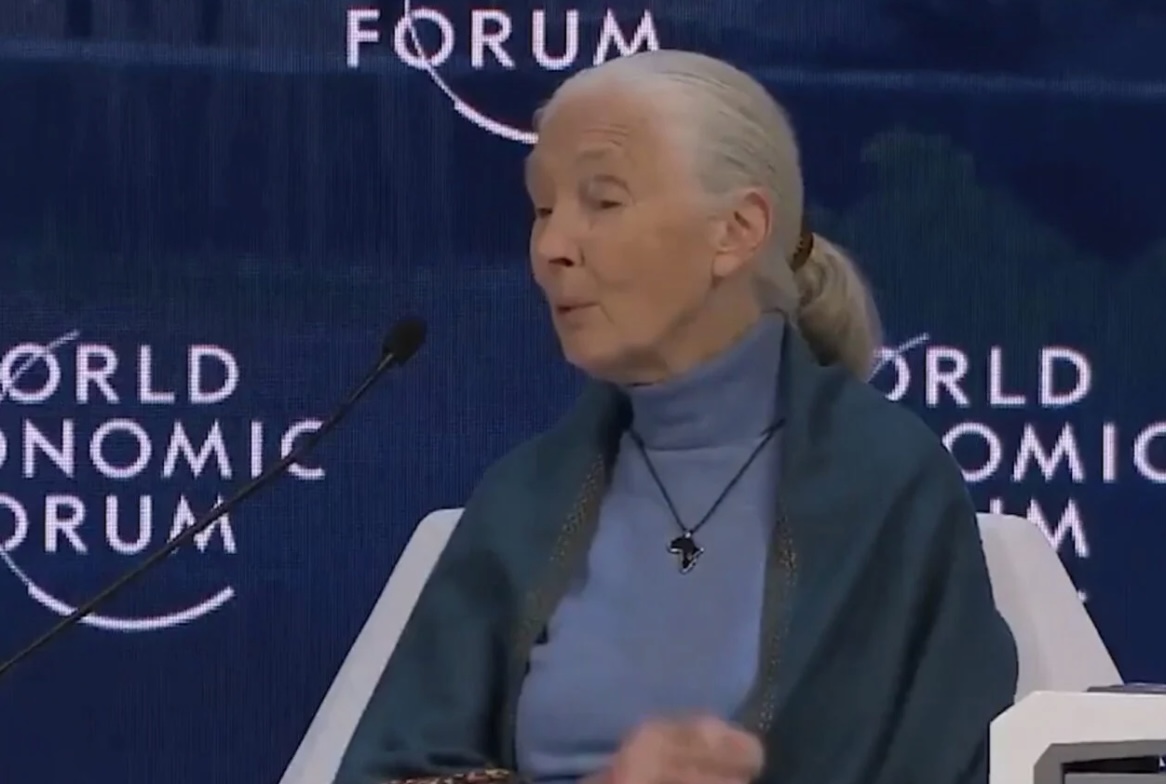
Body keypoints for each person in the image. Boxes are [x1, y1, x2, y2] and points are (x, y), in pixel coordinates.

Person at [333, 49, 1018, 784]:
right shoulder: (522, 501)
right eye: (543, 210)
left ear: (737, 230)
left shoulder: (888, 485)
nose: (552, 248)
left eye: (603, 201)